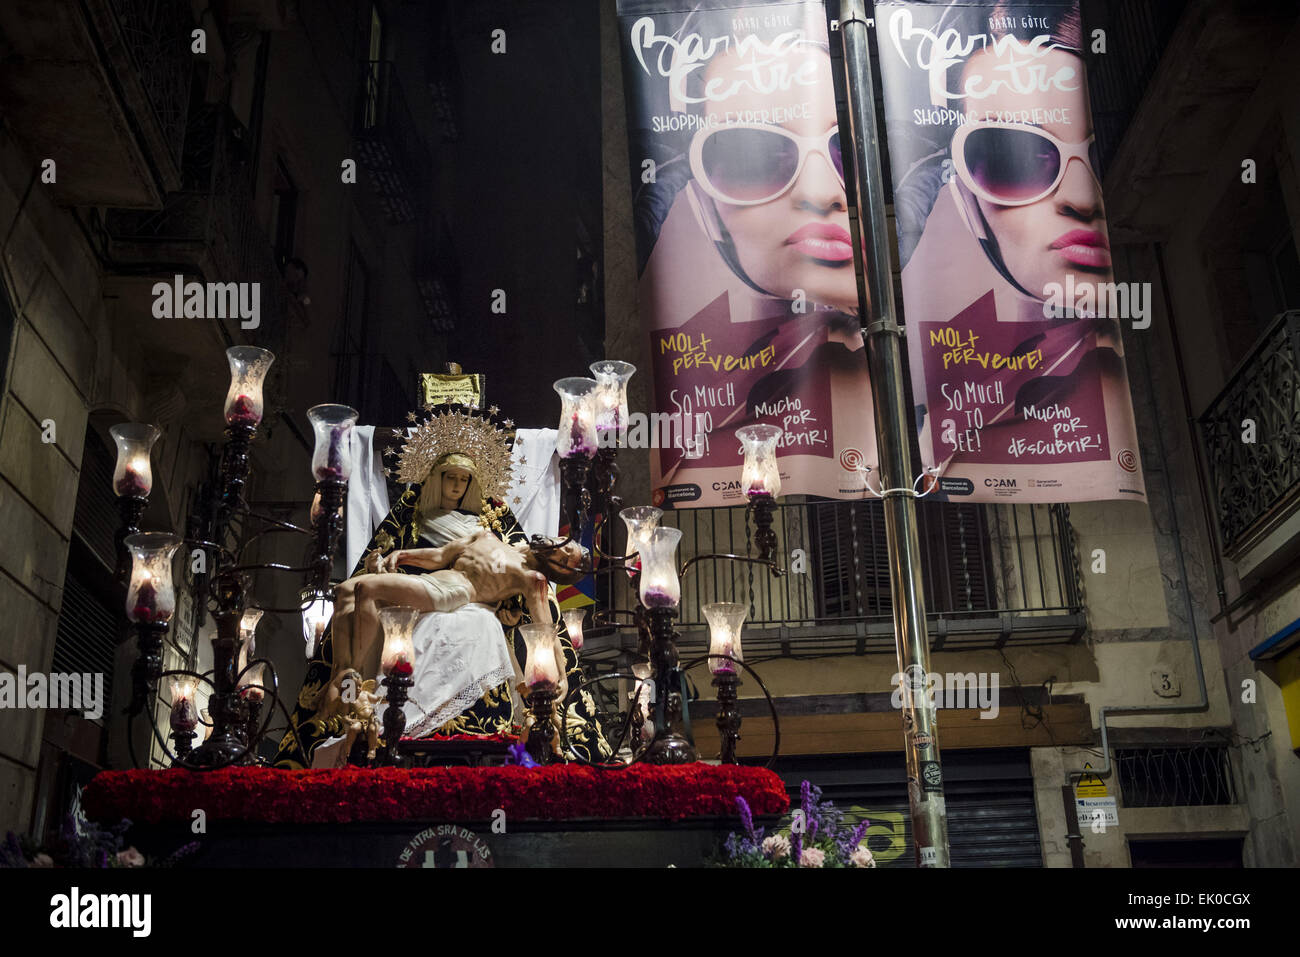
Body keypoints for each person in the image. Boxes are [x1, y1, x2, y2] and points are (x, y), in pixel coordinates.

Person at [274, 407, 607, 767]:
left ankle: (356, 682)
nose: (560, 543)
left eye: (567, 551)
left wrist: (559, 673)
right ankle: (344, 675)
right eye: (566, 542)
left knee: (368, 590)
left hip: (455, 593)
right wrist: (401, 555)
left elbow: (545, 629)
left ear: (561, 566)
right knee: (345, 592)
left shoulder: (533, 579)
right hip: (440, 579)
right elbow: (440, 554)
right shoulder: (488, 534)